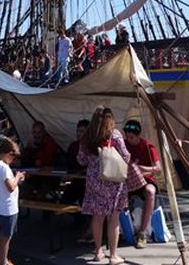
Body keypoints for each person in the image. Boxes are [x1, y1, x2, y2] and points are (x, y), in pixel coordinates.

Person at [78, 107, 129, 265]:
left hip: (95, 180)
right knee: (113, 218)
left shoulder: (87, 136)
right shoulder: (115, 135)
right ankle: (113, 256)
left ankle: (98, 251)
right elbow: (126, 155)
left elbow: (81, 159)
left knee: (97, 217)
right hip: (113, 180)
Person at [124, 119, 162, 249]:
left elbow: (158, 168)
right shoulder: (123, 145)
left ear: (138, 135)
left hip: (145, 179)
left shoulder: (147, 146)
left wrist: (140, 168)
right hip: (128, 180)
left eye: (132, 137)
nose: (129, 139)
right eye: (127, 136)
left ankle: (142, 232)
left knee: (150, 192)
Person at [0, 138, 25, 265]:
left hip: (2, 204)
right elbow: (10, 187)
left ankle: (3, 259)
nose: (13, 161)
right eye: (13, 157)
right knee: (6, 236)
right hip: (9, 207)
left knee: (4, 234)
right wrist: (18, 177)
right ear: (9, 153)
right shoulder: (4, 167)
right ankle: (3, 261)